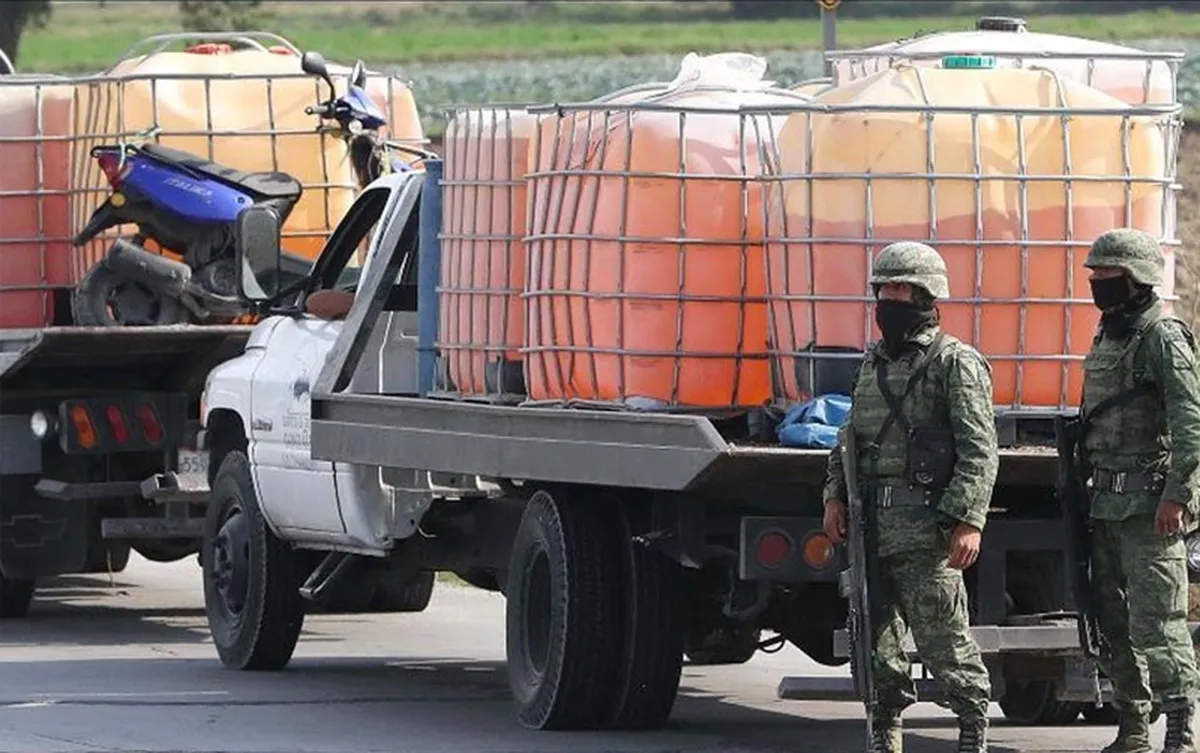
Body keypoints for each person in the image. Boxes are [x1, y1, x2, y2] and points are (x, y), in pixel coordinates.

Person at [823, 241, 999, 753]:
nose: (890, 298)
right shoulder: (872, 364)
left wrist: (969, 520)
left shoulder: (954, 364)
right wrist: (834, 494)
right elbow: (849, 438)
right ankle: (885, 732)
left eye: (901, 289)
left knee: (946, 643)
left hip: (928, 533)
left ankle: (972, 730)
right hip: (871, 530)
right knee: (878, 648)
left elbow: (979, 451)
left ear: (926, 294)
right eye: (884, 289)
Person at [1077, 227, 1200, 753]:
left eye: (1109, 275)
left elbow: (1191, 423)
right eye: (1095, 275)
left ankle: (1178, 725)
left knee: (1159, 620)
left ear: (1137, 278)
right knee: (1111, 620)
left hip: (1150, 508)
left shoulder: (1162, 336)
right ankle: (1132, 725)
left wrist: (1178, 496)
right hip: (1104, 504)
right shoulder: (1108, 333)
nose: (1099, 283)